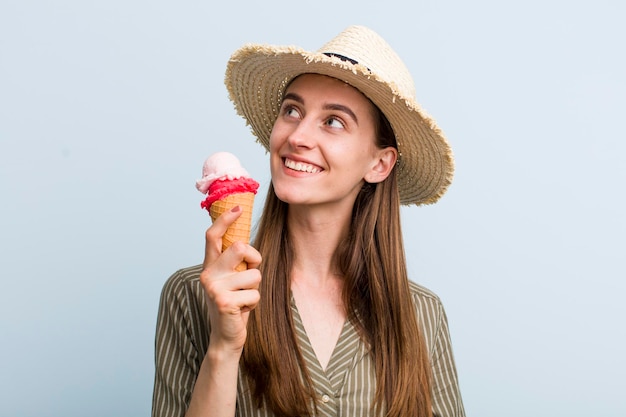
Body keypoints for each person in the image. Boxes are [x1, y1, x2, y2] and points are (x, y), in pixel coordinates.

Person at [152, 25, 465, 417]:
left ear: (379, 163)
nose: (297, 136)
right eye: (292, 110)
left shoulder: (423, 314)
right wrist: (224, 347)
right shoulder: (193, 295)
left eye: (333, 121)